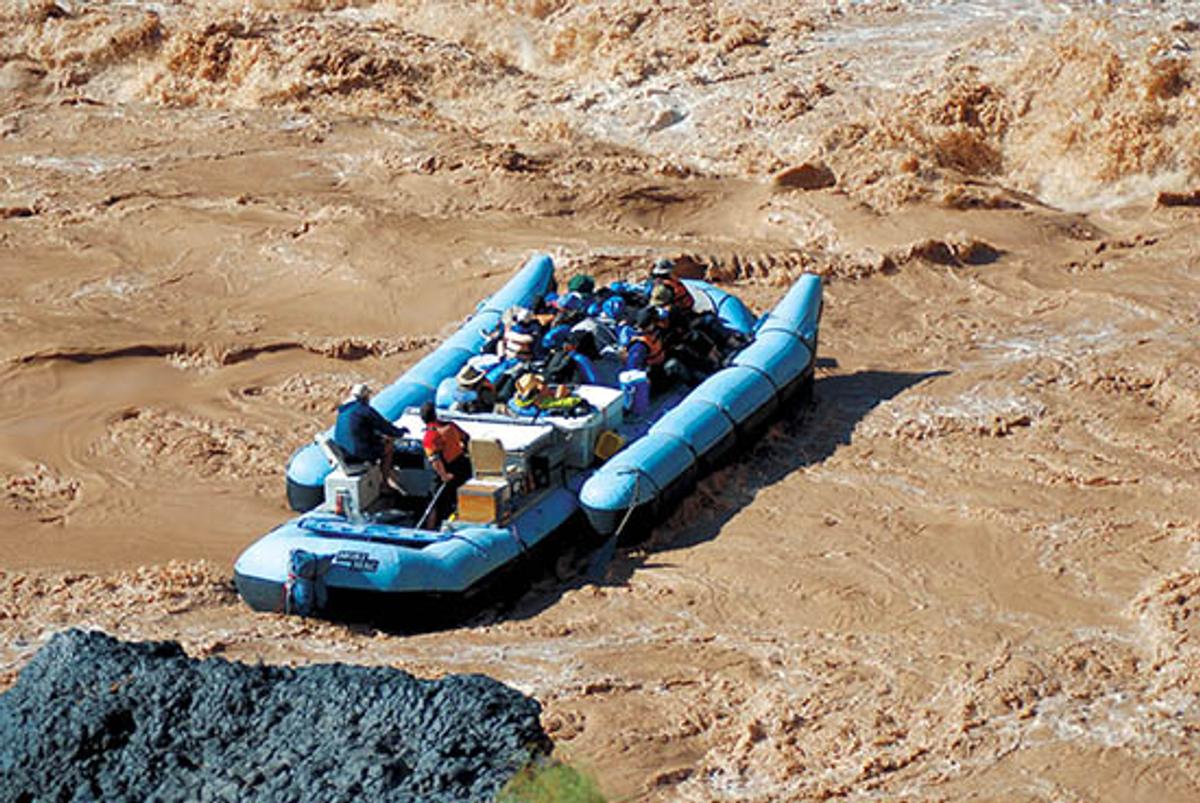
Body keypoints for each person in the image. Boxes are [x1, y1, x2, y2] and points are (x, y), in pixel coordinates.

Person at [332, 383, 409, 479]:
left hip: (345, 453)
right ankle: (385, 483)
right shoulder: (364, 410)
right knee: (388, 447)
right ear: (365, 397)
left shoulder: (343, 411)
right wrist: (400, 432)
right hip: (359, 453)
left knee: (381, 442)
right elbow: (384, 427)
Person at [420, 401, 472, 528]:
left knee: (433, 503)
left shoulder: (430, 437)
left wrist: (444, 475)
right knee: (459, 498)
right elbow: (465, 437)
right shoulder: (450, 426)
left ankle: (430, 529)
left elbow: (435, 460)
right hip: (462, 466)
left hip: (447, 472)